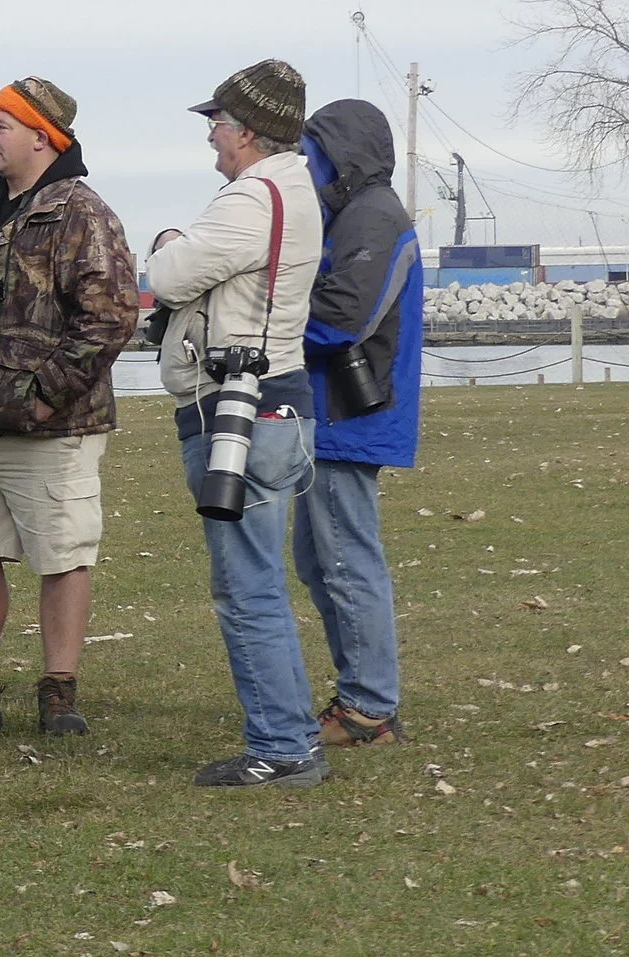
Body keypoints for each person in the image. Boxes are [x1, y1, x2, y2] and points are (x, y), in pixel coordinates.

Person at [0, 79, 137, 738]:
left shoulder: (82, 212)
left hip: (55, 428)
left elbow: (111, 315)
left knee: (61, 553)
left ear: (43, 135)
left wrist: (45, 396)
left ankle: (59, 690)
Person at [146, 61, 327, 788]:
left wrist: (166, 240)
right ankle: (291, 735)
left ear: (249, 131)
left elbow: (164, 277)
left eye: (217, 125)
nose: (212, 140)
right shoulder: (294, 190)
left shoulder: (250, 199)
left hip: (237, 414)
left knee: (246, 585)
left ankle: (282, 744)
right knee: (262, 581)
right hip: (279, 403)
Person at [298, 99, 421, 747]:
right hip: (332, 416)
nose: (305, 161)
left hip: (349, 415)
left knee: (345, 558)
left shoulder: (373, 216)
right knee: (322, 559)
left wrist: (272, 304)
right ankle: (360, 695)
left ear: (339, 152)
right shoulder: (352, 214)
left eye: (313, 148)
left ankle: (369, 706)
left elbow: (345, 317)